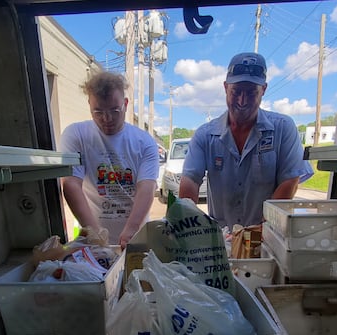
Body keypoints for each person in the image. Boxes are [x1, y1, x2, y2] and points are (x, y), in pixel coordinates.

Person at [179, 52, 313, 228]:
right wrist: (188, 228)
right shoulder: (205, 135)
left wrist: (262, 230)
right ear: (226, 87)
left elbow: (290, 180)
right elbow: (189, 180)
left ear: (263, 89)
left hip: (266, 235)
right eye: (236, 92)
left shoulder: (283, 128)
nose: (242, 101)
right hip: (221, 238)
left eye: (251, 93)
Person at [58, 71, 159, 247]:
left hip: (135, 237)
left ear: (125, 104)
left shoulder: (144, 142)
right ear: (89, 104)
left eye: (114, 111)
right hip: (94, 237)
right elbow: (71, 184)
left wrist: (130, 230)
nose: (107, 119)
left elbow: (147, 188)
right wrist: (95, 234)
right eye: (98, 112)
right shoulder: (76, 135)